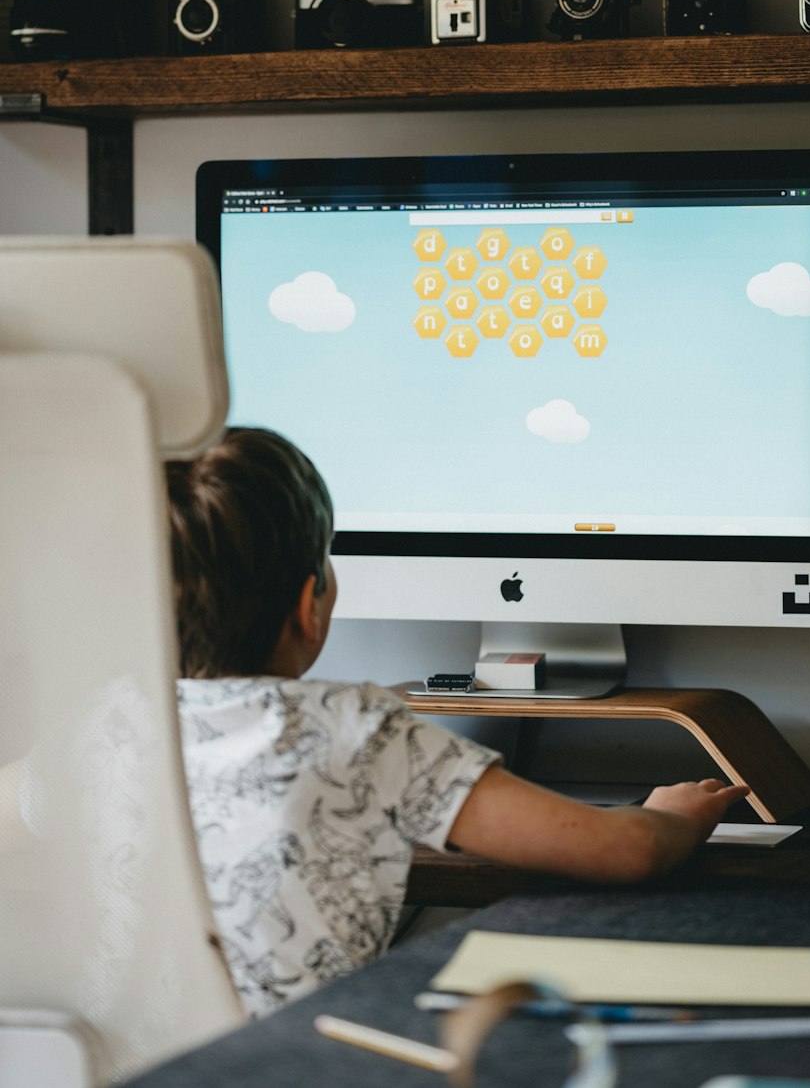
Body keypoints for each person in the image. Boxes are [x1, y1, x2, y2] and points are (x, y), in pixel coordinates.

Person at [166, 426, 749, 1018]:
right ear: (307, 606)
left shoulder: (115, 730)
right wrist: (671, 817)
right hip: (299, 1059)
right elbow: (627, 852)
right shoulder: (356, 725)